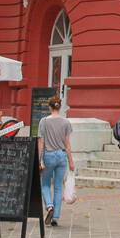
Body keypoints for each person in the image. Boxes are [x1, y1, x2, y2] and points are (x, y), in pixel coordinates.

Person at [37, 96, 74, 226]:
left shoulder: (44, 121)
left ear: (50, 107)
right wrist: (71, 161)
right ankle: (56, 217)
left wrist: (39, 159)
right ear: (60, 107)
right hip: (61, 155)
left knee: (45, 184)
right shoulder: (66, 122)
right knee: (58, 186)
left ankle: (49, 206)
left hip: (49, 155)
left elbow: (41, 142)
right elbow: (68, 144)